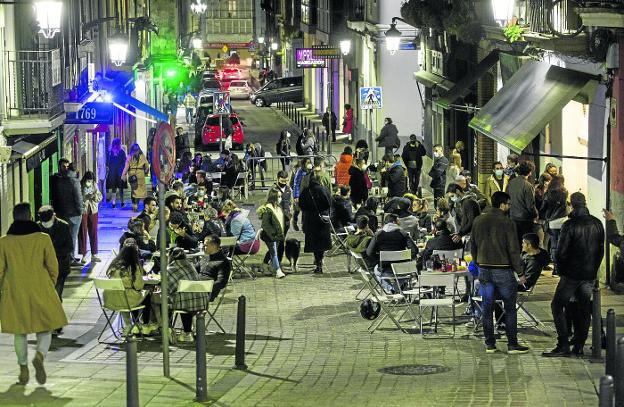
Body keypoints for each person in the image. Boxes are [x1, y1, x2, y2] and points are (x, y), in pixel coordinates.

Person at [0, 203, 68, 385]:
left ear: (14, 217)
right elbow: (53, 266)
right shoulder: (43, 238)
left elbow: (0, 270)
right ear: (30, 216)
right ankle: (39, 355)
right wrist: (49, 284)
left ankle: (23, 367)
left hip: (15, 291)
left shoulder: (4, 242)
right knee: (45, 328)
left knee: (19, 332)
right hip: (41, 288)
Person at [543, 192, 604, 357]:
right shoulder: (598, 223)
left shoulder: (570, 225)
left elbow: (561, 252)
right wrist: (593, 269)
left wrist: (561, 270)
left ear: (571, 204)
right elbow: (600, 251)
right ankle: (579, 344)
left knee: (557, 305)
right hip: (589, 273)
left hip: (571, 274)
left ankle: (563, 343)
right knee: (583, 308)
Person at [471, 191, 529, 354]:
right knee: (509, 307)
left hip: (484, 269)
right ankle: (512, 344)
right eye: (508, 204)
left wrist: (478, 262)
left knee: (487, 307)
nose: (509, 207)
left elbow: (473, 245)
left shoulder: (478, 220)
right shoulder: (507, 222)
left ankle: (490, 344)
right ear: (502, 204)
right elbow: (513, 250)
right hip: (502, 270)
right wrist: (520, 272)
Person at [105, 243, 156, 335]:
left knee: (132, 295)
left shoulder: (114, 265)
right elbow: (139, 286)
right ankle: (144, 324)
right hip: (126, 300)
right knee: (145, 295)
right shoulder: (133, 267)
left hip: (110, 299)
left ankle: (132, 324)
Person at [366, 213, 418, 293]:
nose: (400, 223)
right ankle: (399, 287)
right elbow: (415, 250)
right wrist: (406, 258)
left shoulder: (378, 235)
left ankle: (391, 289)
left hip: (384, 269)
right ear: (394, 222)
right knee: (407, 274)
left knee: (376, 270)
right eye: (398, 221)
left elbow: (369, 252)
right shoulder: (403, 234)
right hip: (402, 269)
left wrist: (380, 258)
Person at [166, 247, 209, 343]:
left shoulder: (170, 269)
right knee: (185, 297)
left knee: (164, 301)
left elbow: (167, 289)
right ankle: (187, 332)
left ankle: (167, 329)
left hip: (186, 304)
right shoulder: (190, 265)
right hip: (202, 302)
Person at [37, 206, 73, 302]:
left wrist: (52, 252)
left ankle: (56, 315)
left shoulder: (64, 226)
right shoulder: (37, 227)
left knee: (56, 297)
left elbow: (70, 247)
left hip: (60, 266)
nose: (46, 224)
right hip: (43, 268)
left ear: (54, 216)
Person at [50, 158, 83, 263]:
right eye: (63, 166)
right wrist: (80, 211)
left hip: (62, 214)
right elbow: (78, 198)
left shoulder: (58, 180)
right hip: (74, 214)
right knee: (73, 237)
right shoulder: (74, 181)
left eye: (66, 167)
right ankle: (71, 258)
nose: (65, 168)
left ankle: (67, 257)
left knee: (64, 237)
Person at [298, 174, 332, 274]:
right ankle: (320, 261)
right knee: (322, 243)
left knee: (315, 244)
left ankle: (317, 262)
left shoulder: (306, 191)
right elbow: (329, 203)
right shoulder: (323, 189)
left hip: (311, 220)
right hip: (322, 220)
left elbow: (302, 205)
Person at [539, 174, 568, 275]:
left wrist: (544, 217)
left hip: (552, 221)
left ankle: (556, 268)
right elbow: (564, 206)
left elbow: (543, 207)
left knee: (554, 245)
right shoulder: (564, 192)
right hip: (563, 220)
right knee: (563, 244)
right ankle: (562, 267)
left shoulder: (548, 193)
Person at [507, 160, 538, 247]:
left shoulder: (511, 183)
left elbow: (507, 199)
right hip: (525, 220)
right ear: (530, 172)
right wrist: (535, 215)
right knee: (526, 245)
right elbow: (530, 206)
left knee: (516, 244)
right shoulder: (528, 186)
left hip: (513, 217)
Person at [257, 189, 287, 278]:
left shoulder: (278, 207)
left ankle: (265, 266)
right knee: (274, 252)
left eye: (281, 196)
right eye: (278, 197)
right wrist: (273, 234)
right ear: (273, 197)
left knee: (272, 251)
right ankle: (278, 270)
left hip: (277, 235)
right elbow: (265, 224)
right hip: (269, 235)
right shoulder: (268, 209)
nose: (280, 198)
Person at [78, 171, 102, 264]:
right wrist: (85, 197)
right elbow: (78, 197)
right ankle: (83, 255)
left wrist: (94, 196)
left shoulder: (95, 185)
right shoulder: (80, 185)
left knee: (93, 232)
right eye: (88, 180)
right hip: (83, 211)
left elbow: (100, 197)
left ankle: (94, 254)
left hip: (93, 210)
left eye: (91, 180)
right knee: (83, 232)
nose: (89, 182)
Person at [199, 234, 232, 300]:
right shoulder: (206, 257)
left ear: (213, 246)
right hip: (196, 286)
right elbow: (194, 269)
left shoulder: (223, 262)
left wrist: (203, 287)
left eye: (205, 246)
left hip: (208, 292)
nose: (203, 247)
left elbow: (221, 282)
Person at [270, 171, 293, 262]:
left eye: (286, 181)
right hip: (276, 219)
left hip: (286, 219)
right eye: (282, 181)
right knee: (276, 242)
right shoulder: (273, 189)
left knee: (281, 241)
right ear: (278, 179)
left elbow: (290, 203)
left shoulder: (288, 189)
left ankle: (278, 261)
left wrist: (290, 214)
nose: (284, 183)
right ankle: (273, 261)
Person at [122, 144, 150, 212]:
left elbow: (126, 166)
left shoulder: (129, 156)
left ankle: (134, 204)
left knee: (134, 191)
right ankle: (136, 205)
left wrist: (123, 174)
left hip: (132, 175)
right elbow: (146, 166)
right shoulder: (142, 156)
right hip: (140, 174)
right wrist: (146, 172)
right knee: (140, 192)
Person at [292, 158, 312, 231]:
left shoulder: (311, 171)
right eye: (307, 162)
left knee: (305, 211)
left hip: (306, 194)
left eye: (309, 162)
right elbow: (296, 184)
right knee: (297, 210)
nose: (309, 164)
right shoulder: (300, 171)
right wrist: (296, 196)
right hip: (299, 193)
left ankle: (304, 226)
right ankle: (294, 222)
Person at [106, 138, 127, 208]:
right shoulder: (122, 152)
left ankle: (113, 202)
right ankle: (122, 202)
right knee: (121, 188)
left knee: (113, 188)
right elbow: (124, 162)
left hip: (112, 172)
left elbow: (108, 162)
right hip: (120, 172)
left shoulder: (110, 152)